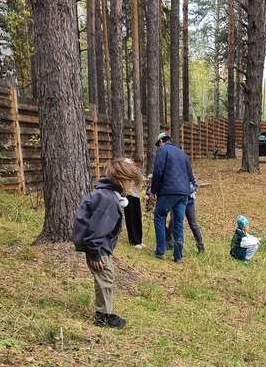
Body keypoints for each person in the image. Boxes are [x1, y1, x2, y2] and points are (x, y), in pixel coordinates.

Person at [72, 157, 143, 329]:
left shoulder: (107, 194)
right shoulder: (108, 201)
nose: (132, 184)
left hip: (99, 245)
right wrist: (95, 253)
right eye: (130, 180)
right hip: (97, 246)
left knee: (108, 276)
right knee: (105, 278)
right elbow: (96, 230)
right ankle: (103, 316)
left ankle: (106, 312)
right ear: (120, 180)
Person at [150, 132, 195, 263]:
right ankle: (178, 256)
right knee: (178, 223)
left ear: (160, 142)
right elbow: (190, 176)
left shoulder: (162, 150)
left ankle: (160, 251)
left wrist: (153, 190)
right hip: (184, 194)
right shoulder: (183, 154)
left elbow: (158, 171)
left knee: (159, 217)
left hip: (168, 191)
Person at [167, 178, 205, 254]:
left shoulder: (188, 175)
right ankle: (170, 244)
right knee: (173, 222)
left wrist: (186, 191)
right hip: (177, 201)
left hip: (189, 202)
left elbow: (195, 185)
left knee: (193, 224)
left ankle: (200, 245)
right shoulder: (176, 175)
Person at [123, 157, 144, 248]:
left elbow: (140, 178)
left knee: (137, 216)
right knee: (130, 217)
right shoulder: (126, 165)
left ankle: (139, 240)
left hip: (136, 195)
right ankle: (133, 240)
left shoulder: (136, 170)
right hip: (128, 194)